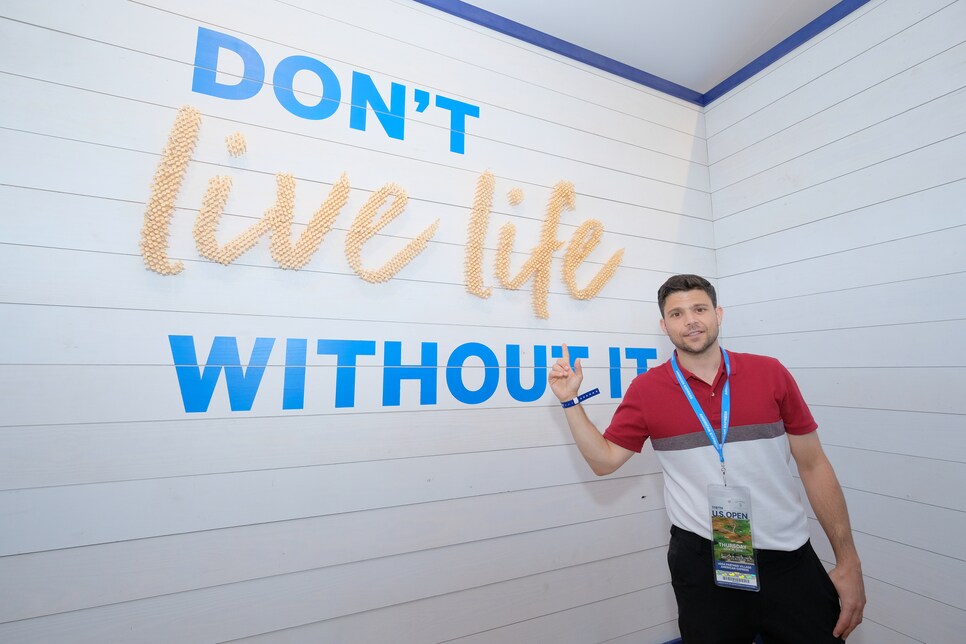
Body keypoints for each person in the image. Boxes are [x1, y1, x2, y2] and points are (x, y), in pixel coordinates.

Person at [549, 274, 865, 643]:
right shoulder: (647, 390)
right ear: (664, 325)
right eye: (677, 313)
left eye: (699, 309)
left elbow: (814, 465)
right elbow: (603, 461)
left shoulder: (770, 373)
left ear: (718, 314)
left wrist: (848, 561)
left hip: (788, 556)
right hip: (702, 562)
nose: (691, 320)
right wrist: (570, 401)